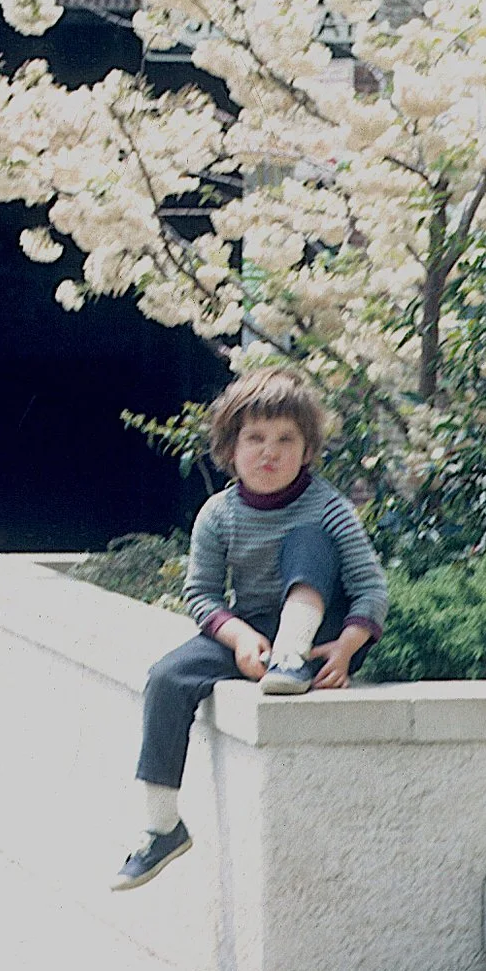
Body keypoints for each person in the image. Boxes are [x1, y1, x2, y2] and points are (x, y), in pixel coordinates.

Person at [114, 368, 389, 890]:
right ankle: (161, 827)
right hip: (255, 632)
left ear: (307, 450)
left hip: (323, 639)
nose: (270, 452)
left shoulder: (328, 506)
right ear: (230, 449)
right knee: (167, 677)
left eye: (286, 440)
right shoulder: (219, 514)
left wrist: (349, 646)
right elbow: (201, 594)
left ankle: (292, 655)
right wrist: (238, 636)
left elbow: (372, 588)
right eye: (255, 439)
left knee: (307, 538)